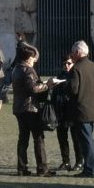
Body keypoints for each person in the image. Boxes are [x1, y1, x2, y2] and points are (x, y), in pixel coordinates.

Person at [10, 41, 55, 176]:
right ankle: (42, 168)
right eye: (32, 57)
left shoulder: (16, 69)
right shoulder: (28, 70)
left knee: (23, 138)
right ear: (28, 58)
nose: (34, 60)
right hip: (30, 108)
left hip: (18, 107)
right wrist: (48, 85)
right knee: (38, 138)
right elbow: (33, 88)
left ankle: (21, 167)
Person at [68, 40, 94, 177]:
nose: (71, 55)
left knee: (86, 140)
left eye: (72, 53)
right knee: (89, 139)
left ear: (77, 52)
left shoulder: (76, 69)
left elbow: (73, 89)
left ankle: (91, 169)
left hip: (81, 109)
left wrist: (64, 86)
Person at [54, 53, 82, 172]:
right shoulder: (60, 75)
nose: (66, 65)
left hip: (72, 110)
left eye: (69, 63)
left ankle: (79, 161)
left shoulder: (75, 74)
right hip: (61, 110)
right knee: (62, 137)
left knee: (76, 137)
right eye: (64, 63)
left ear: (73, 63)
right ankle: (65, 161)